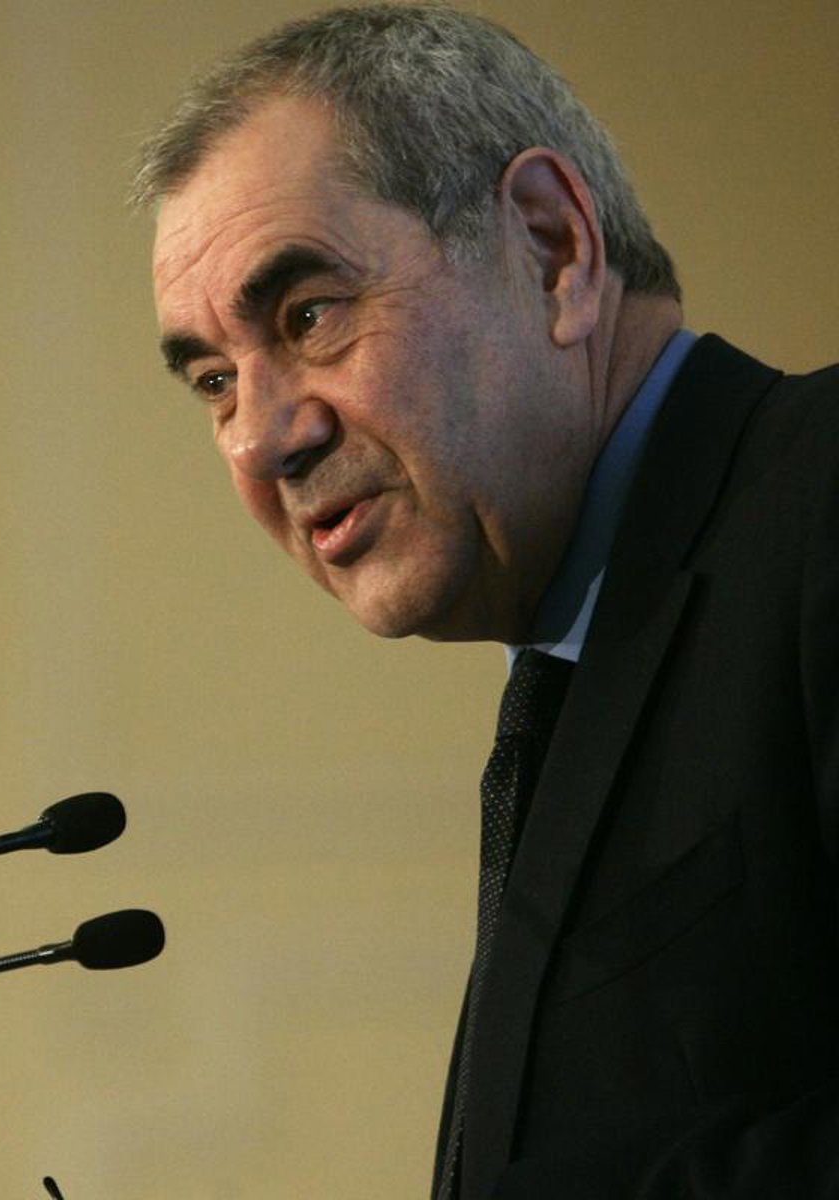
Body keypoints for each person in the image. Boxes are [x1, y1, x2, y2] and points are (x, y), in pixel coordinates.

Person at [131, 5, 839, 1197]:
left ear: (553, 251)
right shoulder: (571, 666)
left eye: (309, 316)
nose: (260, 440)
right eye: (213, 380)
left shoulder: (817, 500)